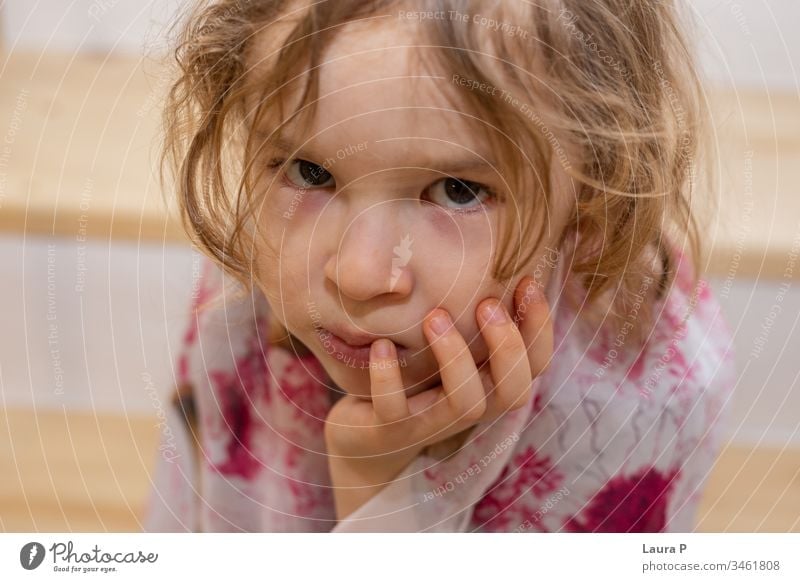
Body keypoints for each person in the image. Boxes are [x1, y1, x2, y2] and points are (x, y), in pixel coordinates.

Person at [144, 0, 735, 532]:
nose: (359, 275)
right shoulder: (248, 291)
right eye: (310, 173)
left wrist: (392, 500)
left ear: (593, 199)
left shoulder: (638, 411)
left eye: (457, 190)